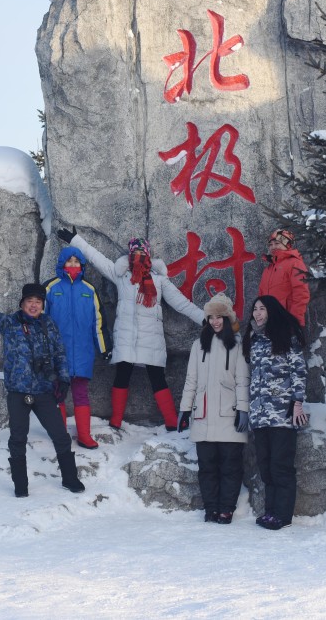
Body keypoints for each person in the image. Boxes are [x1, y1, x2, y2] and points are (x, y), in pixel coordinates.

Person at [57, 227, 204, 431]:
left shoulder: (159, 280)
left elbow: (182, 304)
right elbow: (96, 258)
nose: (138, 257)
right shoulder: (122, 276)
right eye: (134, 253)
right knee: (122, 376)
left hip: (151, 339)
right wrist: (75, 239)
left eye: (142, 253)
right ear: (129, 255)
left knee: (157, 379)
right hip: (126, 337)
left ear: (149, 256)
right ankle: (116, 420)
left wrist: (206, 319)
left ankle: (171, 421)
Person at [0, 280, 86, 497]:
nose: (34, 305)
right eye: (29, 301)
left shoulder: (49, 325)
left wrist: (63, 381)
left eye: (38, 301)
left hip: (44, 390)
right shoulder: (10, 323)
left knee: (60, 435)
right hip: (18, 391)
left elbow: (60, 354)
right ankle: (21, 486)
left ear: (42, 305)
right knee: (18, 438)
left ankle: (70, 479)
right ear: (22, 303)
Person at [177, 292, 250, 524]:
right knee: (207, 467)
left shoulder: (237, 345)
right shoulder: (198, 345)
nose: (215, 321)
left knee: (230, 466)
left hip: (229, 415)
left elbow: (242, 380)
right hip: (204, 415)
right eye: (211, 317)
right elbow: (191, 381)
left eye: (220, 316)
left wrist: (243, 409)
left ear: (227, 318)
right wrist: (185, 409)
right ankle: (211, 507)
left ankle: (226, 508)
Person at [242, 294, 307, 531]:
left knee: (281, 466)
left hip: (282, 414)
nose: (258, 313)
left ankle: (283, 515)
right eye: (255, 309)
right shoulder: (254, 340)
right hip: (260, 415)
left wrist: (297, 402)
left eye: (262, 309)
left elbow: (299, 371)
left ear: (271, 311)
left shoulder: (286, 335)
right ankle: (270, 512)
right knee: (266, 466)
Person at [44, 246, 110, 449]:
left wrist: (104, 348)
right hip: (57, 352)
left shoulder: (89, 290)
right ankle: (60, 435)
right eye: (69, 261)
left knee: (81, 392)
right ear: (61, 263)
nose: (72, 265)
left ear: (82, 264)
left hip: (83, 351)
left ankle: (84, 435)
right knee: (58, 393)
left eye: (76, 261)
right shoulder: (51, 288)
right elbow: (41, 321)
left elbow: (98, 322)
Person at [257, 228, 311, 327]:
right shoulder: (268, 269)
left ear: (287, 245)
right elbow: (261, 295)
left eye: (277, 243)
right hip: (269, 320)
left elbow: (301, 294)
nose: (273, 247)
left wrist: (295, 320)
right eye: (270, 244)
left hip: (286, 319)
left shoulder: (295, 264)